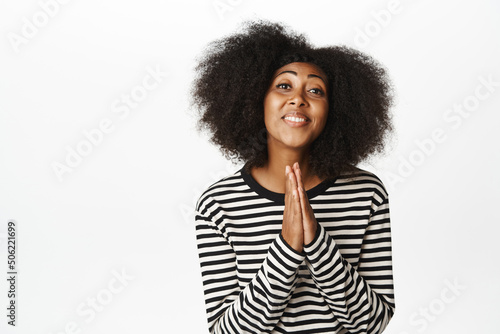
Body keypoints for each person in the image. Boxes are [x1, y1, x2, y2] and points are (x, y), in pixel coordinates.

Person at [191, 19, 395, 334]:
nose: (298, 99)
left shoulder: (366, 193)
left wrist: (317, 241)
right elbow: (226, 331)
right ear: (255, 98)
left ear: (335, 110)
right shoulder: (218, 204)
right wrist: (287, 248)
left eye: (315, 90)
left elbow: (371, 323)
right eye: (284, 86)